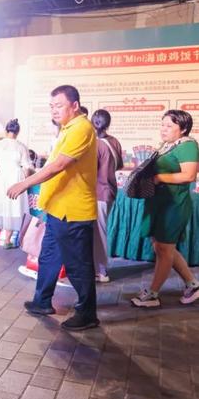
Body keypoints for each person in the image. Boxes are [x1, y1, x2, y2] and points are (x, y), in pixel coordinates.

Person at [7, 85, 99, 331]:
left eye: (59, 105)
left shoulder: (81, 128)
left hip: (74, 212)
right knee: (48, 257)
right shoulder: (67, 129)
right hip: (57, 210)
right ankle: (42, 301)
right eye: (51, 106)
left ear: (75, 106)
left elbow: (58, 165)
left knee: (78, 264)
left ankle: (87, 312)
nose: (54, 110)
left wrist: (25, 182)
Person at [131, 110, 199, 308]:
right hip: (160, 203)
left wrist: (158, 178)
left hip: (174, 205)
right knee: (161, 247)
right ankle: (193, 285)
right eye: (162, 124)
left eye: (169, 126)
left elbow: (188, 175)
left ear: (183, 128)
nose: (163, 129)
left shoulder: (188, 145)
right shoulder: (169, 145)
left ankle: (152, 294)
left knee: (164, 247)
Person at [0, 119, 33, 248]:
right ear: (18, 132)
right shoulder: (21, 146)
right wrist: (26, 180)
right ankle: (7, 241)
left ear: (6, 130)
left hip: (1, 177)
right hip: (15, 177)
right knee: (13, 207)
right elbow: (27, 167)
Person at [90, 110, 123, 283]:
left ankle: (101, 271)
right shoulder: (114, 141)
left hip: (97, 193)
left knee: (98, 232)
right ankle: (97, 267)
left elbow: (89, 171)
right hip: (109, 191)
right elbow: (118, 165)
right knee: (98, 231)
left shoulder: (94, 144)